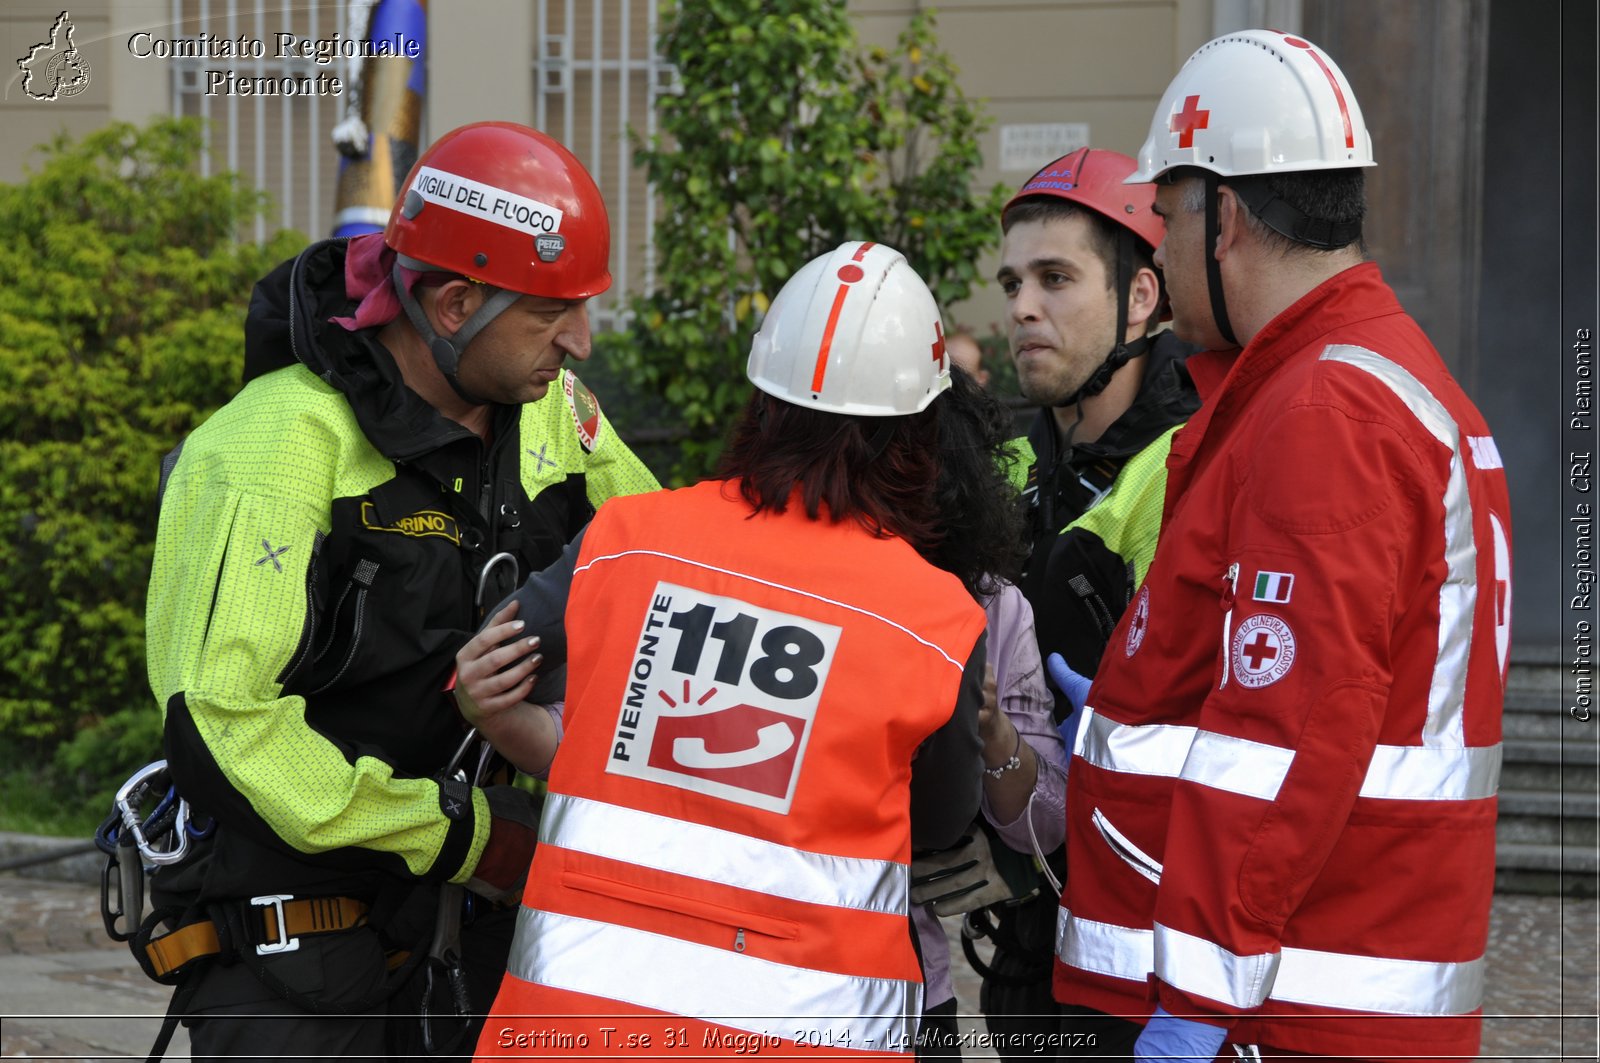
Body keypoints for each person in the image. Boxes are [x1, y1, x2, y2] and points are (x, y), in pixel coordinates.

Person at [141, 121, 658, 1060]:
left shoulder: (558, 415)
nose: (581, 341)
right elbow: (223, 723)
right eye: (553, 316)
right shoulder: (269, 448)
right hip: (301, 958)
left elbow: (668, 561)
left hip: (491, 936)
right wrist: (459, 833)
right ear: (456, 303)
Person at [1049, 29, 1513, 1062]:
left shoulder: (1324, 408)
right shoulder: (1365, 380)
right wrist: (1130, 712)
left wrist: (1199, 1002)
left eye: (1163, 221)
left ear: (1223, 217)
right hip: (1311, 988)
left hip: (1278, 1008)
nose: (1157, 264)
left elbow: (1289, 727)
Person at [453, 241, 1023, 1059]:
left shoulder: (625, 540)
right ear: (919, 436)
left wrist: (493, 710)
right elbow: (936, 820)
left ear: (762, 403)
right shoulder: (934, 618)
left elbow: (494, 673)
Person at [964, 147, 1200, 1056]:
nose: (1022, 306)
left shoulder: (1196, 469)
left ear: (1142, 297)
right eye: (1013, 280)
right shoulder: (1013, 471)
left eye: (1056, 278)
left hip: (1150, 953)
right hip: (1031, 940)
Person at [904, 367, 1068, 1059]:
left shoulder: (995, 604)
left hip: (914, 985)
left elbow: (1044, 824)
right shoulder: (801, 580)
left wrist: (994, 726)